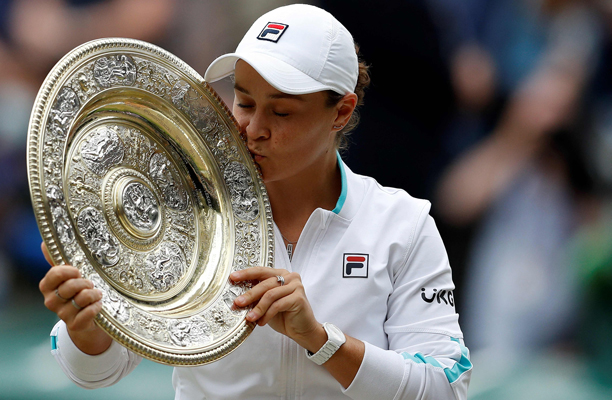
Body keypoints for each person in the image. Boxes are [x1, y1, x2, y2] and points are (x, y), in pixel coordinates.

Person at [38, 4, 471, 399]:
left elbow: (445, 389)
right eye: (244, 101)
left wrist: (321, 341)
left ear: (341, 112)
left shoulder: (404, 224)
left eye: (281, 112)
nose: (253, 129)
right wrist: (87, 328)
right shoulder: (183, 212)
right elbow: (96, 371)